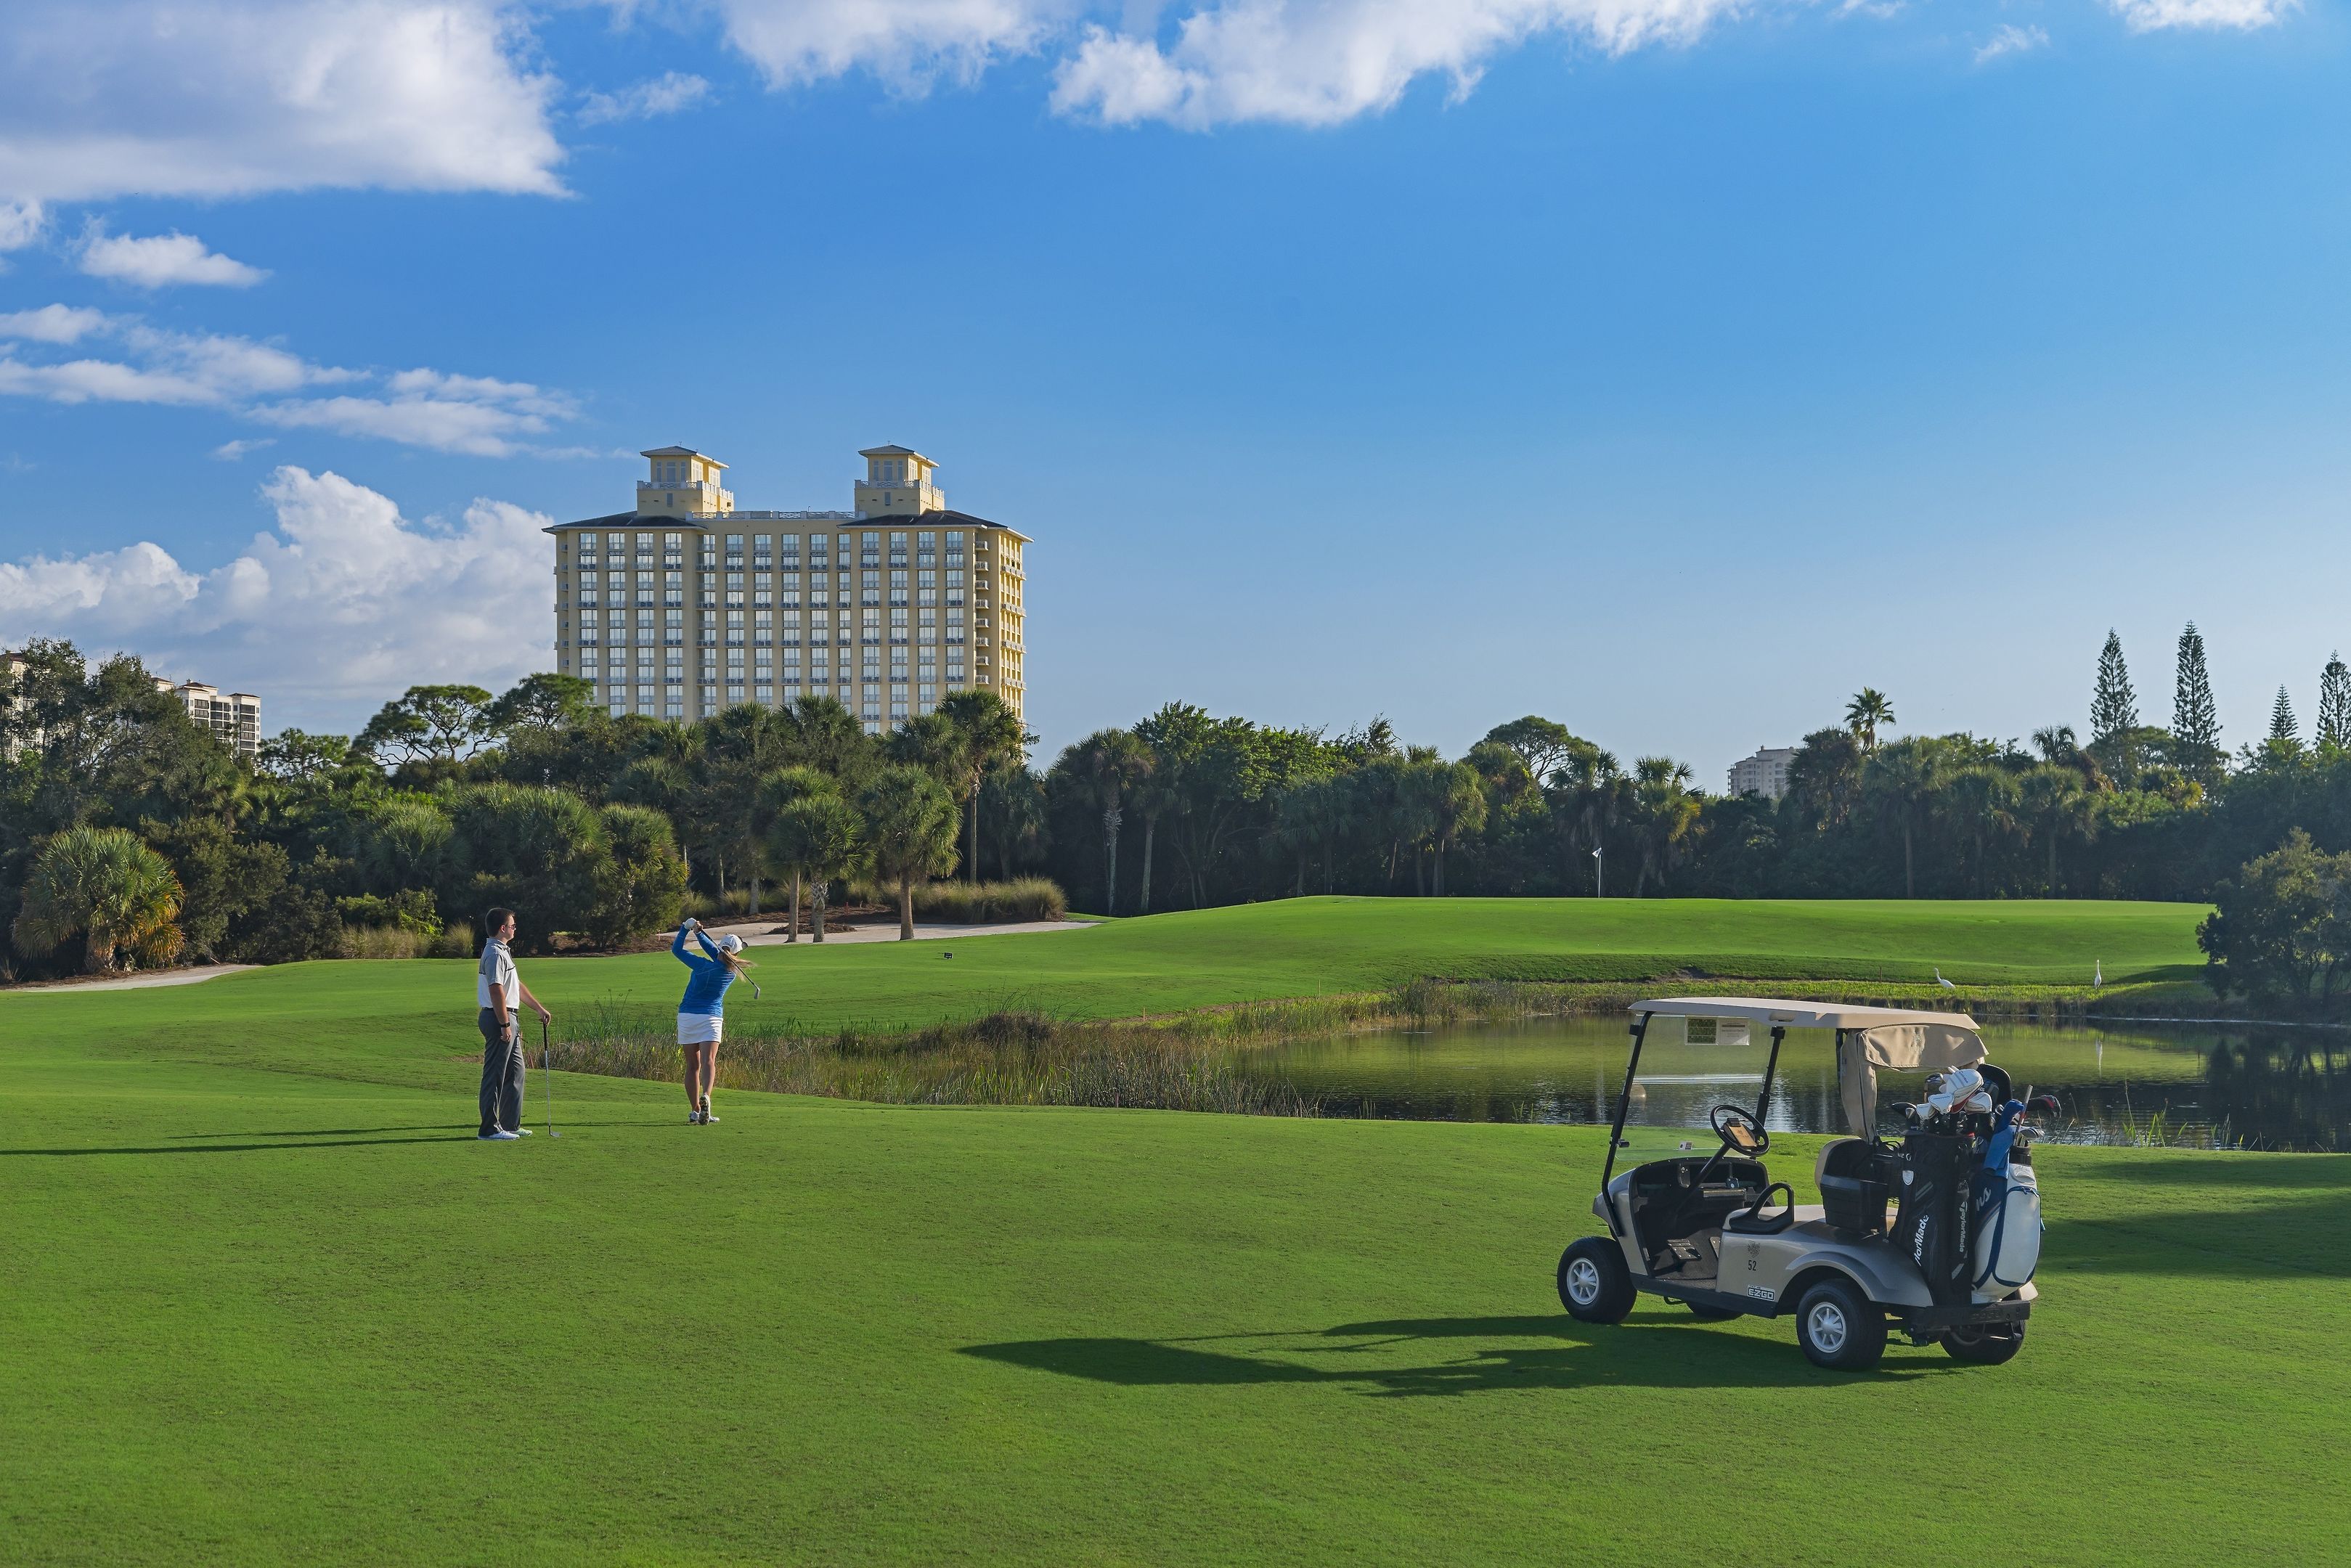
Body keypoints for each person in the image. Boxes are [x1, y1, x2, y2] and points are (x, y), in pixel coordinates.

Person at [477, 907, 552, 1142]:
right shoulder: (495, 954)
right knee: (495, 1076)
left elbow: (515, 986)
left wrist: (538, 1008)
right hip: (499, 1018)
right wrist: (504, 1024)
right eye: (512, 925)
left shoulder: (503, 952)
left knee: (516, 1072)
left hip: (509, 1017)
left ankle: (510, 1123)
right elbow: (496, 989)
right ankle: (489, 1129)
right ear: (503, 928)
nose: (514, 928)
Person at [674, 915, 751, 1124]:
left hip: (688, 1016)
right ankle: (707, 1096)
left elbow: (677, 951)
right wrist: (699, 934)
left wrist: (686, 929)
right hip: (711, 1017)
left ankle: (696, 1111)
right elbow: (718, 954)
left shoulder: (701, 966)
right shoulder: (732, 971)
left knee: (692, 1066)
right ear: (736, 953)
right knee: (709, 1062)